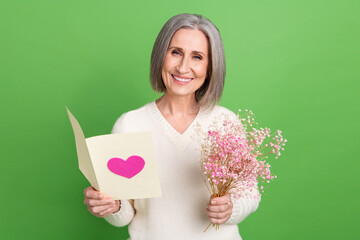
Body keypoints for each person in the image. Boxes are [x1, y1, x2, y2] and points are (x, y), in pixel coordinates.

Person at [83, 13, 260, 240]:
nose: (183, 67)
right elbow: (125, 214)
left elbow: (251, 194)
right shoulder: (130, 124)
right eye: (176, 52)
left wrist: (231, 209)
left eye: (197, 57)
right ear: (161, 56)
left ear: (210, 67)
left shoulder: (226, 122)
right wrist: (111, 205)